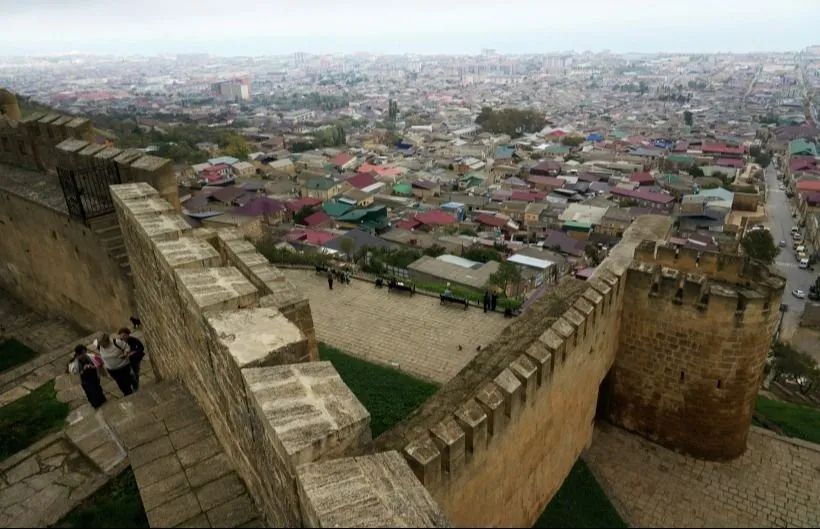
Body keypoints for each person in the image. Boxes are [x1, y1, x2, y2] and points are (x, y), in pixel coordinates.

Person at [73, 345, 107, 409]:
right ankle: (96, 405)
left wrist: (92, 366)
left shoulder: (91, 357)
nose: (83, 354)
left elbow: (100, 364)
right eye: (82, 353)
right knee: (92, 392)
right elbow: (76, 373)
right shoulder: (76, 362)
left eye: (84, 352)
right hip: (86, 380)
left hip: (94, 376)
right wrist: (83, 369)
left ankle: (102, 401)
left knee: (98, 389)